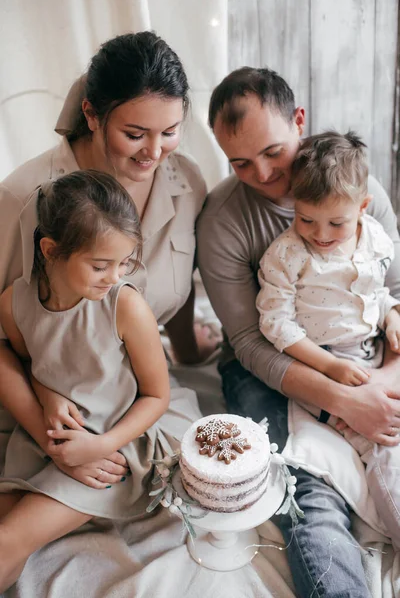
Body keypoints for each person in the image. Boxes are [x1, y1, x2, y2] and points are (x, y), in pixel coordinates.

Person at [197, 66, 400, 597]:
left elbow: (394, 291)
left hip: (369, 349)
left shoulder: (358, 187)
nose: (261, 173)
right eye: (239, 162)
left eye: (272, 151)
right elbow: (250, 341)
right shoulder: (223, 220)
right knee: (305, 488)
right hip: (270, 368)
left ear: (300, 122)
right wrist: (342, 397)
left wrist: (384, 382)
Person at [0, 31, 215, 489]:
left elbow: (177, 284)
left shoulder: (187, 181)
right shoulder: (25, 197)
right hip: (47, 409)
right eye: (134, 134)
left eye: (170, 132)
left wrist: (190, 351)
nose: (154, 153)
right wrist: (54, 440)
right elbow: (4, 338)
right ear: (91, 115)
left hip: (137, 398)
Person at [0, 170, 173, 592]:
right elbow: (29, 363)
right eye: (100, 265)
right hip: (44, 439)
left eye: (124, 263)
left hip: (113, 454)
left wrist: (97, 445)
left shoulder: (126, 307)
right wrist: (45, 397)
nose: (114, 276)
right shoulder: (15, 304)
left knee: (7, 539)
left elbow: (157, 395)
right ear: (50, 250)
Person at [257, 130, 400, 548]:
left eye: (337, 222)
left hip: (374, 348)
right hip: (325, 361)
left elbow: (380, 290)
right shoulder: (287, 255)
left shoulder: (374, 236)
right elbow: (275, 324)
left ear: (362, 208)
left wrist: (392, 315)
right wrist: (331, 368)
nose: (320, 234)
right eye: (306, 219)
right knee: (383, 444)